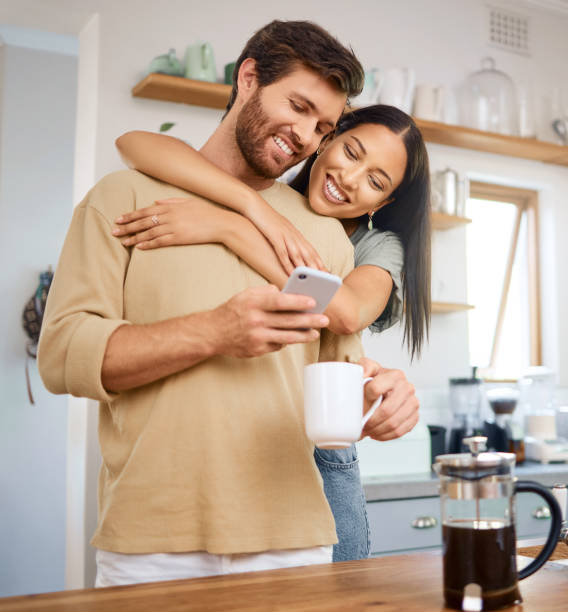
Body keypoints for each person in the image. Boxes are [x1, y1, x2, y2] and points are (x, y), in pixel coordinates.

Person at [38, 20, 419, 586]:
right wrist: (213, 333)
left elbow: (336, 375)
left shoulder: (330, 239)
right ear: (247, 79)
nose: (306, 138)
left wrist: (382, 396)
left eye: (321, 127)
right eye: (296, 106)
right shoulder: (125, 197)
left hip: (295, 542)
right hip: (152, 544)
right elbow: (62, 355)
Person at [112, 104, 431, 561]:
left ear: (384, 203)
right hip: (234, 446)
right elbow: (133, 143)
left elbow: (346, 312)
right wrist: (254, 207)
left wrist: (230, 228)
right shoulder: (269, 203)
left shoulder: (379, 245)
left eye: (376, 182)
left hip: (322, 454)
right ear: (327, 140)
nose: (350, 178)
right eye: (351, 152)